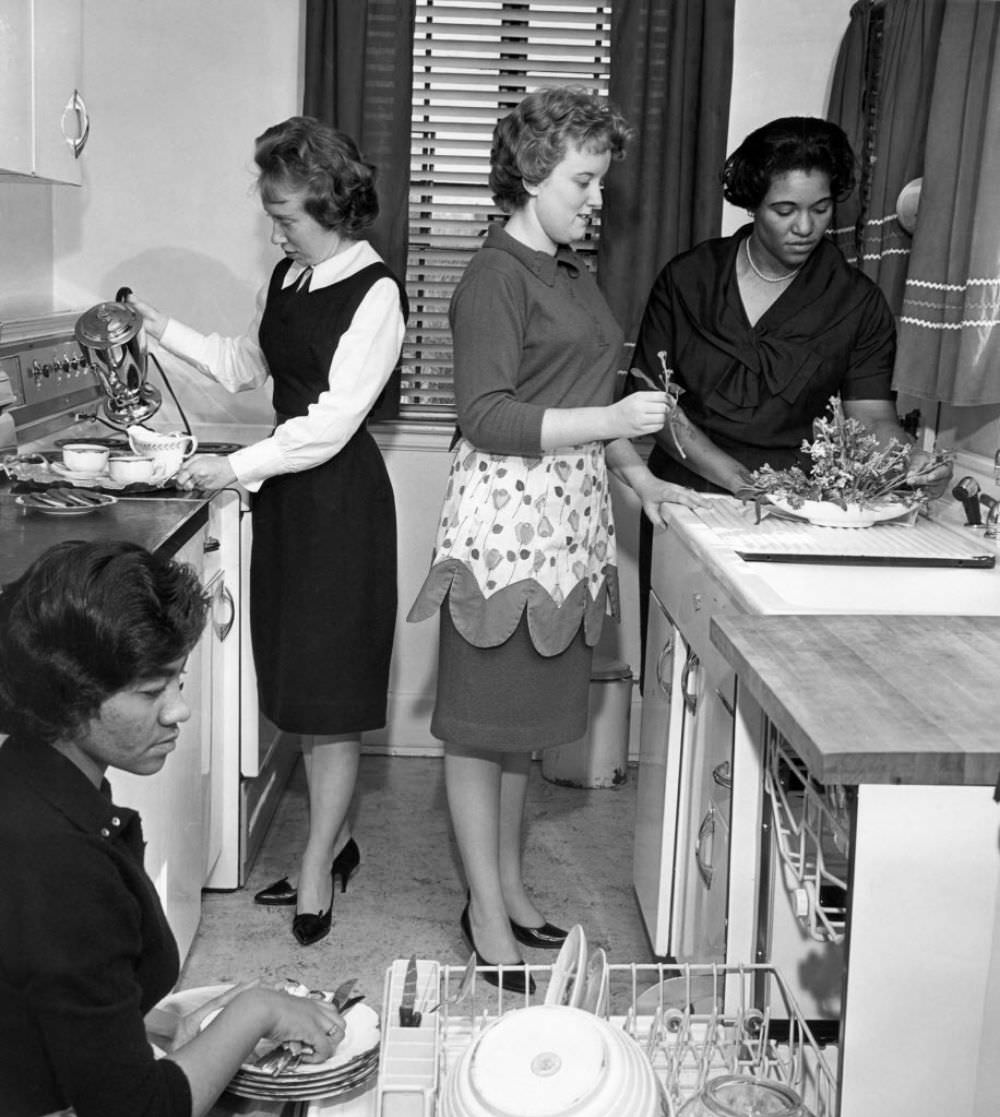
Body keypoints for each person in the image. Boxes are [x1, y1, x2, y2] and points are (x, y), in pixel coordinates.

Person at [408, 86, 703, 992]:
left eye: (601, 183)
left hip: (567, 530)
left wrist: (641, 476)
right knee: (477, 731)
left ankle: (509, 886)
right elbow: (488, 416)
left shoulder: (572, 273)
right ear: (532, 173)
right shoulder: (494, 277)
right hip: (504, 534)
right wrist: (613, 415)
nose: (595, 200)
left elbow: (583, 401)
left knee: (522, 733)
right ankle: (485, 911)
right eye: (583, 181)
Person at [130, 116, 408, 947]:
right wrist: (153, 325)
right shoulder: (288, 279)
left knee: (331, 699)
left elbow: (329, 422)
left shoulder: (376, 293)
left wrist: (236, 466)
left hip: (339, 506)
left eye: (285, 214)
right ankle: (336, 837)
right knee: (293, 685)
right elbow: (243, 366)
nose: (275, 229)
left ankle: (321, 860)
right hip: (287, 503)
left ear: (330, 202)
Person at [0, 540, 345, 1117]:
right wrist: (255, 1010)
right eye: (150, 690)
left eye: (178, 681)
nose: (178, 709)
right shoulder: (58, 863)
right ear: (69, 692)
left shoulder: (37, 778)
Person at [630, 115, 952, 655]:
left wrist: (910, 462)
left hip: (793, 518)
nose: (805, 226)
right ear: (754, 204)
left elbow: (871, 420)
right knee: (679, 661)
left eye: (820, 209)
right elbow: (654, 406)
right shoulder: (689, 278)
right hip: (683, 498)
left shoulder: (857, 302)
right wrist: (742, 483)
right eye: (785, 210)